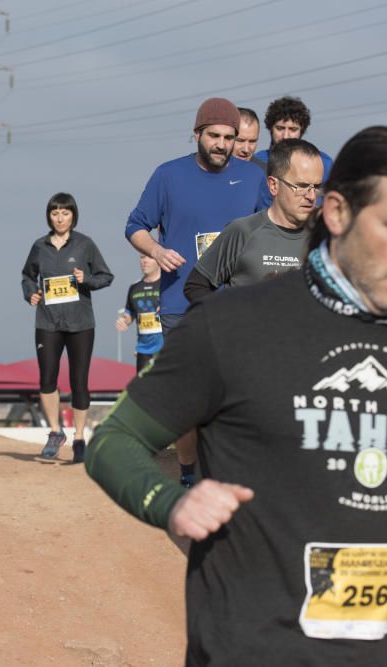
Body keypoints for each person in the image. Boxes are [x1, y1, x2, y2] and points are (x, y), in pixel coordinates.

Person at [85, 126, 387, 665]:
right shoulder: (233, 325)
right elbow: (113, 440)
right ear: (335, 213)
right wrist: (173, 502)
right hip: (248, 650)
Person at [125, 97, 263, 486]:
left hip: (239, 307)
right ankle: (188, 471)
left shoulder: (252, 178)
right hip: (179, 304)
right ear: (197, 134)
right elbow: (135, 225)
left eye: (230, 137)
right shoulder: (168, 176)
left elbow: (274, 227)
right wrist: (156, 250)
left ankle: (226, 474)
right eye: (214, 135)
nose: (222, 144)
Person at [21, 192, 113, 463]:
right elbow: (27, 275)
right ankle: (54, 431)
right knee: (47, 377)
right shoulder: (39, 246)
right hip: (47, 320)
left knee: (79, 380)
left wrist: (87, 280)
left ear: (73, 215)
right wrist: (31, 293)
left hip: (80, 322)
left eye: (65, 213)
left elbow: (106, 276)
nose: (60, 218)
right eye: (55, 213)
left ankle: (80, 436)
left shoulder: (85, 245)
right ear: (49, 216)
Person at [183, 139, 323, 302]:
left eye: (316, 187)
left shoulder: (324, 238)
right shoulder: (244, 231)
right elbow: (195, 286)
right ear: (273, 185)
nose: (311, 196)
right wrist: (226, 321)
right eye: (301, 186)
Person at [253, 96, 334, 211]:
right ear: (270, 128)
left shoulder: (322, 163)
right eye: (280, 128)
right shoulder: (256, 163)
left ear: (302, 131)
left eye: (293, 129)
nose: (285, 136)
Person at [116, 254, 162, 372]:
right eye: (142, 257)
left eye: (149, 257)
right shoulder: (134, 288)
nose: (144, 261)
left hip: (166, 348)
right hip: (143, 350)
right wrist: (124, 321)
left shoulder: (167, 285)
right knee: (144, 389)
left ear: (158, 260)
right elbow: (129, 314)